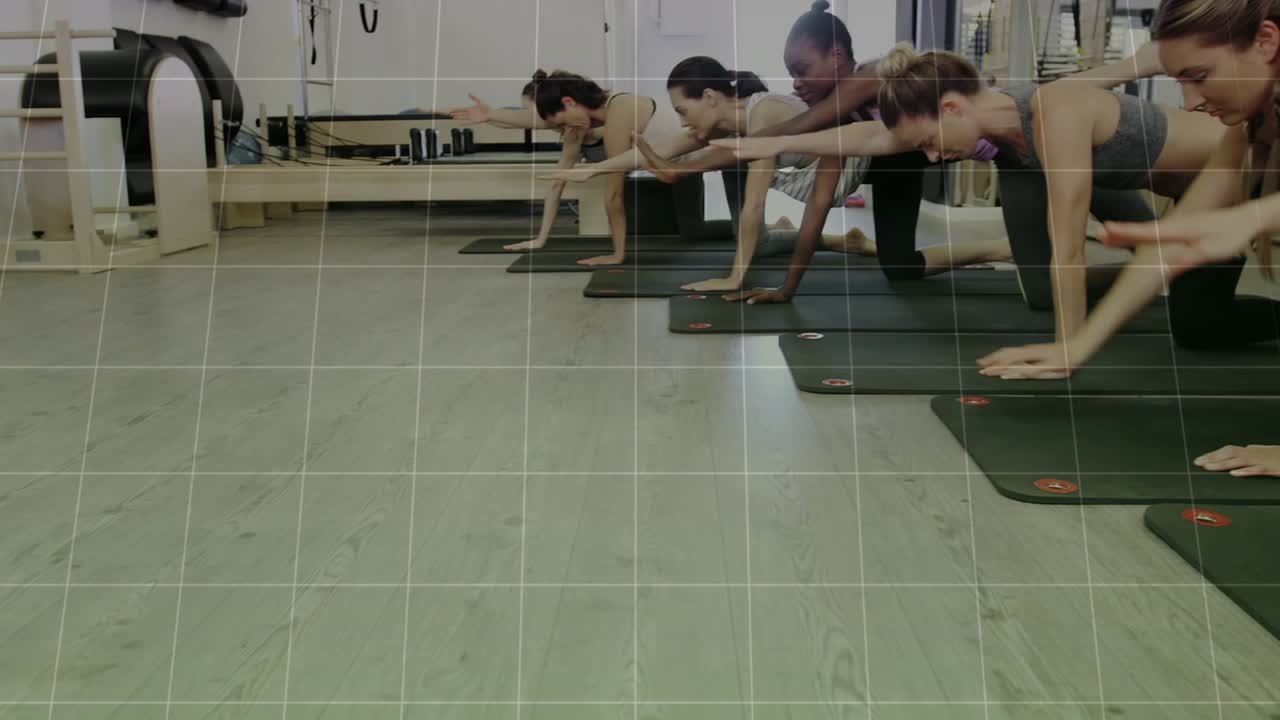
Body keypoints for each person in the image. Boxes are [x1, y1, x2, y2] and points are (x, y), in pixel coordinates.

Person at [991, 0, 1280, 478]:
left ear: (1265, 42)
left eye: (1199, 76)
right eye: (1180, 82)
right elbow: (1168, 244)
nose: (1190, 103)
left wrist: (1252, 216)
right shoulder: (1248, 124)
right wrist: (1077, 347)